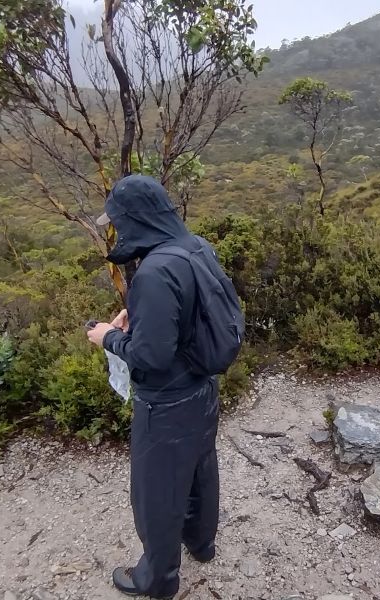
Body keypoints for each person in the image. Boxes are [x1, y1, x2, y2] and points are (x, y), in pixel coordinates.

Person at [86, 175, 219, 599]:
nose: (116, 229)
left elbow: (151, 358)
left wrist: (108, 336)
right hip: (202, 388)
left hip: (165, 404)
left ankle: (157, 580)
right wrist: (139, 318)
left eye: (118, 221)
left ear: (136, 219)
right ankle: (202, 543)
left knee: (156, 493)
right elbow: (189, 312)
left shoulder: (154, 272)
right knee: (200, 469)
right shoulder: (195, 247)